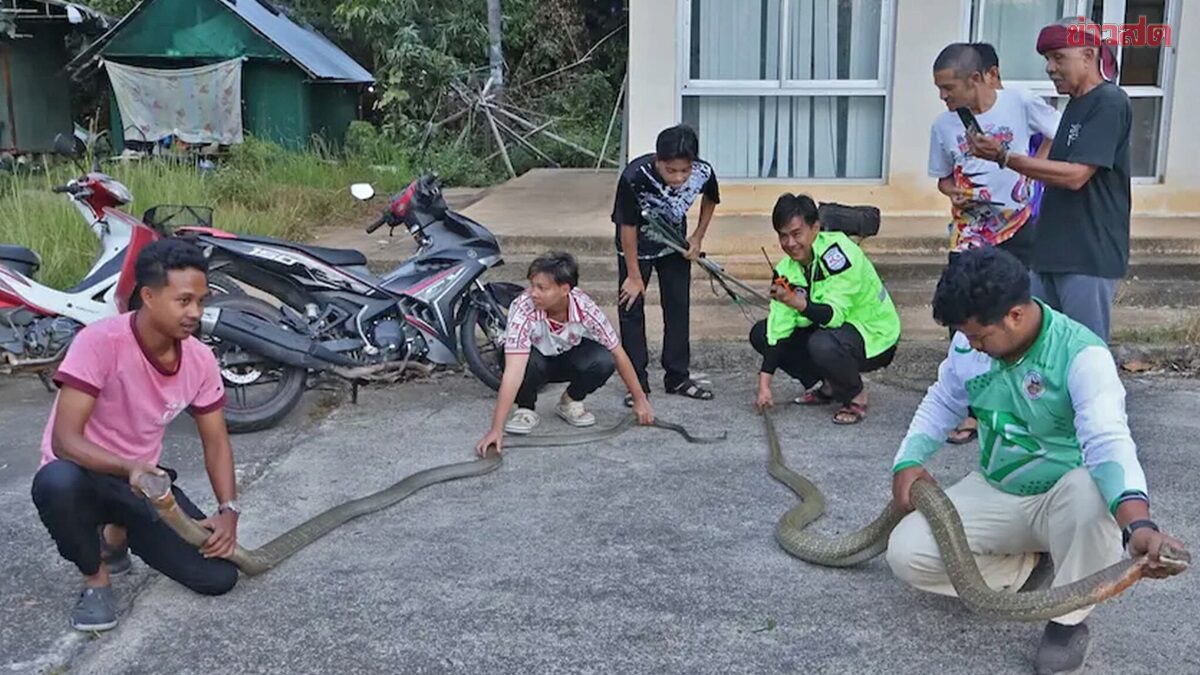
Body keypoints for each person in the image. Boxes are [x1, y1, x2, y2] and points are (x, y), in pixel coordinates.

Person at [886, 247, 1184, 675]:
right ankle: (1025, 568)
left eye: (980, 337)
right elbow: (942, 400)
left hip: (1064, 494)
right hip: (995, 487)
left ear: (1015, 315)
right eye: (966, 337)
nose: (973, 347)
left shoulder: (1082, 355)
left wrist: (1138, 524)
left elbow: (1109, 444)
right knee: (907, 552)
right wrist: (908, 460)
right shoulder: (970, 346)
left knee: (1093, 495)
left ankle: (1067, 622)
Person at [30, 239, 240, 633]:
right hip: (85, 474)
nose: (195, 312)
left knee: (219, 577)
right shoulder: (99, 342)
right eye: (184, 301)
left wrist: (229, 512)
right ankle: (96, 578)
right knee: (56, 482)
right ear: (148, 296)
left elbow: (216, 440)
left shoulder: (200, 359)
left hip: (144, 486)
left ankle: (117, 533)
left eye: (201, 300)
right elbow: (64, 441)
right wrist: (130, 467)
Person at [968, 18, 1131, 343]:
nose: (1049, 68)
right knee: (1041, 349)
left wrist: (1004, 157)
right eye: (1046, 59)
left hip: (1088, 254)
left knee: (1084, 351)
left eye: (1058, 57)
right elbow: (1053, 166)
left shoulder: (1109, 102)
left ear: (1088, 55)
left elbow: (1075, 176)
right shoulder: (1075, 105)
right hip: (1050, 252)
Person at [929, 42, 1060, 444]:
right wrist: (955, 192)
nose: (943, 96)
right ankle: (972, 409)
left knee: (1019, 314)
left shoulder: (1019, 102)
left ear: (976, 79)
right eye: (939, 89)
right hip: (969, 235)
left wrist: (1032, 176)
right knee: (962, 321)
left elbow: (1060, 137)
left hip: (1018, 230)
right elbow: (942, 177)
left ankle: (1026, 402)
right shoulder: (943, 125)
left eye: (949, 87)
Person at [475, 251, 654, 456]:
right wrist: (496, 430)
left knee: (604, 359)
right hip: (534, 362)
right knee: (517, 359)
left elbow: (618, 353)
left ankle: (570, 401)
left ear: (564, 289)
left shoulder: (585, 307)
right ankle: (525, 408)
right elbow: (514, 372)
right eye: (532, 285)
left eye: (541, 288)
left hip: (566, 358)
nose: (533, 293)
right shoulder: (523, 307)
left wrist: (640, 399)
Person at [750, 194, 901, 425]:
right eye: (783, 236)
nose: (790, 243)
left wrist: (795, 301)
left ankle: (855, 395)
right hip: (833, 332)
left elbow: (833, 316)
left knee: (821, 343)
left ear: (815, 228)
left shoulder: (839, 254)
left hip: (873, 334)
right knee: (761, 333)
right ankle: (830, 385)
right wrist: (764, 386)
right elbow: (777, 328)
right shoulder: (785, 270)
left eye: (796, 234)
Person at [612, 124, 720, 407]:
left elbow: (711, 199)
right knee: (631, 309)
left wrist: (696, 237)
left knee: (677, 307)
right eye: (671, 170)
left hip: (673, 245)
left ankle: (677, 377)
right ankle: (637, 383)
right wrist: (634, 275)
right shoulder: (634, 176)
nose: (679, 178)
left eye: (684, 170)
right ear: (658, 160)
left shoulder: (703, 172)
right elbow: (627, 226)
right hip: (635, 246)